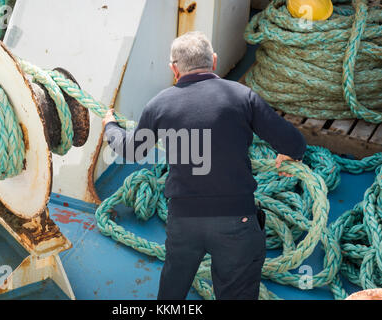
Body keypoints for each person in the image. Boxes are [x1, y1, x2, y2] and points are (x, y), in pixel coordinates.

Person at [102, 31, 306, 300]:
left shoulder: (159, 104)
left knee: (172, 294)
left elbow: (131, 150)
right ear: (214, 60)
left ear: (174, 69)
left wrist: (110, 126)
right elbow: (294, 142)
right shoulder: (242, 96)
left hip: (184, 222)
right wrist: (289, 155)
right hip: (236, 220)